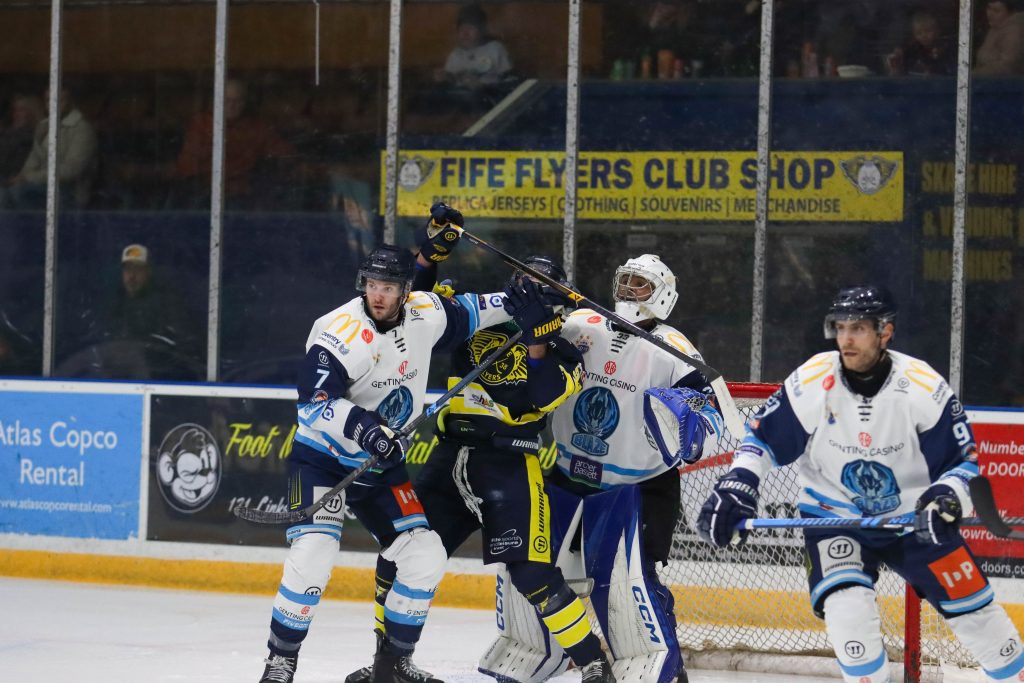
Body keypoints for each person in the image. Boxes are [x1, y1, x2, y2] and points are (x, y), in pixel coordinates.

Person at [696, 286, 1024, 683]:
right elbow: (762, 439)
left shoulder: (922, 387)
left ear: (885, 332)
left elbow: (963, 465)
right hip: (835, 517)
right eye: (840, 327)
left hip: (914, 520)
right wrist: (739, 481)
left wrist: (946, 496)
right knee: (848, 613)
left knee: (984, 625)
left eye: (859, 329)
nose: (846, 339)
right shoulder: (813, 379)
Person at [345, 227, 617, 683]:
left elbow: (542, 393)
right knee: (399, 556)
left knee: (532, 573)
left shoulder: (567, 352)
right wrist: (429, 257)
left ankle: (594, 663)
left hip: (507, 465)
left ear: (559, 301)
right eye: (524, 282)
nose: (528, 291)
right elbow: (417, 307)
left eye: (541, 289)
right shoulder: (481, 317)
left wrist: (537, 339)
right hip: (448, 458)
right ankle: (388, 666)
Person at [258, 207, 510, 683]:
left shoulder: (424, 314)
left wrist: (524, 302)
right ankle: (281, 658)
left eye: (390, 287)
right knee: (313, 554)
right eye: (373, 284)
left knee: (426, 556)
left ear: (405, 291)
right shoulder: (339, 330)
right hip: (321, 462)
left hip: (379, 470)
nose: (379, 294)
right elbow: (313, 405)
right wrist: (367, 429)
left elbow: (477, 310)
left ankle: (391, 665)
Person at [175, 77, 294, 208]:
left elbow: (283, 152)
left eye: (238, 101)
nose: (232, 105)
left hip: (244, 196)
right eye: (226, 101)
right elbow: (189, 165)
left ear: (245, 102)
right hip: (205, 194)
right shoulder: (200, 124)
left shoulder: (256, 127)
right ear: (215, 101)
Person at [1, 86, 96, 210]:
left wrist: (29, 178)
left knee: (18, 193)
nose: (53, 105)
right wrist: (20, 177)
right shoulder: (44, 126)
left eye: (59, 100)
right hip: (40, 186)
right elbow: (33, 159)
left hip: (68, 192)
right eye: (48, 100)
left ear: (70, 102)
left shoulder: (82, 129)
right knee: (3, 193)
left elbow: (71, 170)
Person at [435, 3, 514, 89]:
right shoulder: (456, 54)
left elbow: (509, 81)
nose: (465, 34)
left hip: (489, 98)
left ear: (482, 30)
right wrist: (444, 77)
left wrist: (482, 86)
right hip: (461, 99)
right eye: (462, 29)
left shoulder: (495, 48)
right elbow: (450, 83)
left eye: (470, 28)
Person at [0, 94, 44, 182]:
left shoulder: (33, 135)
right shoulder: (8, 132)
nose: (16, 114)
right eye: (15, 110)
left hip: (16, 178)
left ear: (31, 112)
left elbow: (8, 161)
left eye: (21, 110)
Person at [975, 0, 1024, 76]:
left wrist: (973, 75)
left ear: (1010, 13)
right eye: (989, 8)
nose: (989, 14)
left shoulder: (1014, 32)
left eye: (996, 11)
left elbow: (1007, 66)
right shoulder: (995, 28)